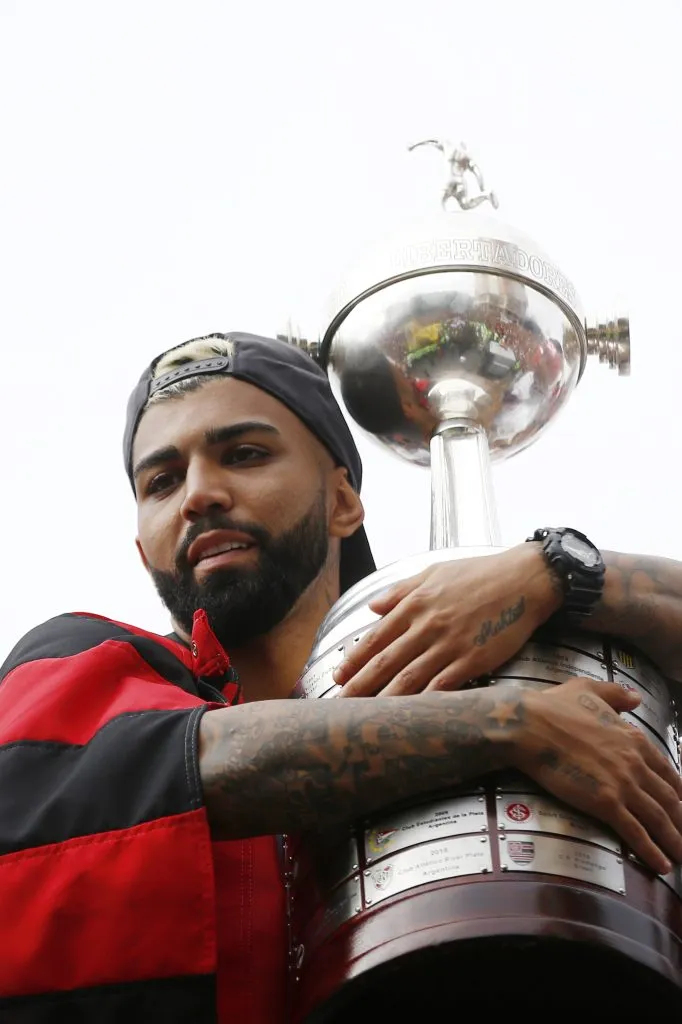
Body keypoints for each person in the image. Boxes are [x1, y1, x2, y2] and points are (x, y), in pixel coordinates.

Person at [2, 331, 682, 1024]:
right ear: (142, 546)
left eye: (244, 454)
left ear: (343, 502)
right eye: (162, 481)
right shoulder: (80, 657)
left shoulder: (474, 656)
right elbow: (204, 766)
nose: (200, 494)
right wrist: (511, 724)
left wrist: (555, 572)